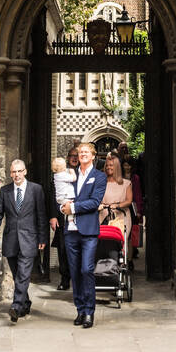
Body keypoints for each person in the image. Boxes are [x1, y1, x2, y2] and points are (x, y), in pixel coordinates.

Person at [0, 159, 48, 322]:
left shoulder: (36, 189)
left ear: (25, 171)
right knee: (17, 275)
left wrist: (43, 237)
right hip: (11, 239)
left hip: (30, 238)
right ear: (10, 174)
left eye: (19, 171)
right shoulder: (5, 191)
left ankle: (16, 306)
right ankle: (25, 303)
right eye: (14, 172)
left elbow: (41, 215)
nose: (17, 175)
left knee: (23, 274)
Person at [60, 140, 106, 329]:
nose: (83, 155)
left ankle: (89, 311)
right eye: (80, 152)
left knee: (86, 269)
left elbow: (95, 202)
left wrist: (74, 208)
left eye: (87, 152)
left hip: (88, 230)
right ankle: (80, 310)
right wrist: (62, 206)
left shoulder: (99, 177)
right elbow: (61, 194)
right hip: (71, 231)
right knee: (75, 272)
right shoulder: (71, 174)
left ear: (93, 155)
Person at [49, 147, 79, 290]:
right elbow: (52, 196)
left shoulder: (82, 173)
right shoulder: (60, 175)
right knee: (63, 248)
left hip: (79, 214)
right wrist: (53, 216)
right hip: (61, 216)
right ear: (67, 158)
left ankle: (79, 278)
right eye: (72, 156)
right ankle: (65, 279)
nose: (74, 158)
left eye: (76, 156)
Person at [100, 151, 133, 245]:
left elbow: (129, 200)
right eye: (107, 165)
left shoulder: (126, 183)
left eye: (111, 165)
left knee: (120, 244)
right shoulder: (100, 184)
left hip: (121, 216)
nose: (108, 167)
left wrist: (117, 205)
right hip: (103, 216)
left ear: (117, 167)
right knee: (103, 244)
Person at [123, 159, 143, 259]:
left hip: (132, 207)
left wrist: (139, 210)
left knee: (131, 234)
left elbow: (138, 194)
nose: (127, 167)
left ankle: (130, 258)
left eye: (128, 165)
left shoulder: (135, 178)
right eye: (125, 165)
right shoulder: (120, 177)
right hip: (122, 206)